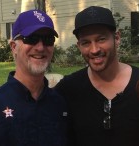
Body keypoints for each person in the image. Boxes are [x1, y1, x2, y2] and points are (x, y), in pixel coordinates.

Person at [55, 6, 139, 146]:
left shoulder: (137, 83)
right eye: (86, 42)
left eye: (101, 39)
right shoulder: (68, 89)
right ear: (79, 46)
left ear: (116, 38)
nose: (94, 50)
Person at [0, 10, 68, 146]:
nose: (40, 47)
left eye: (48, 40)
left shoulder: (60, 103)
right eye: (31, 39)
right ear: (14, 47)